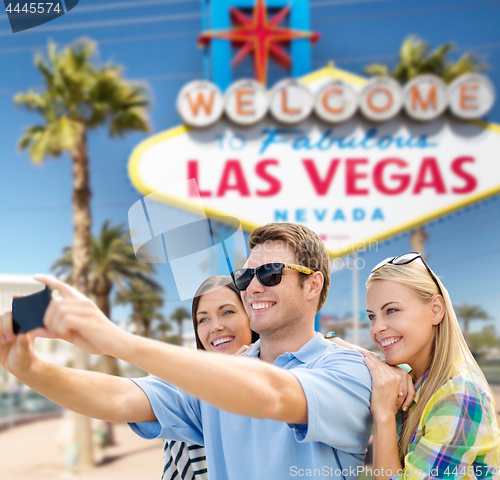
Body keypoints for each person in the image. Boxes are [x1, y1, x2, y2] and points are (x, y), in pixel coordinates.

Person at [0, 223, 373, 479]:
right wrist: (30, 369)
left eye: (272, 273)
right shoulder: (217, 379)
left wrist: (117, 340)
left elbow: (272, 396)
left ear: (313, 286)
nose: (254, 287)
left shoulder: (348, 368)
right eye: (246, 277)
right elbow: (119, 398)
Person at [361, 253, 500, 480]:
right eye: (372, 316)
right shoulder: (416, 379)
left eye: (392, 310)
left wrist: (384, 414)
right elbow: (333, 346)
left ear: (435, 310)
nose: (377, 328)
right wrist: (370, 357)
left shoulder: (459, 397)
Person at [164, 275, 258, 480]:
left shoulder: (293, 378)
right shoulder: (190, 403)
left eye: (227, 312)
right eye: (203, 319)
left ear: (252, 317)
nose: (215, 326)